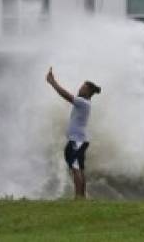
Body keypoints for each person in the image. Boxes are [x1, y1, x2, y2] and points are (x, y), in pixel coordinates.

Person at [46, 67, 101, 199]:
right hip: (80, 139)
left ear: (88, 91)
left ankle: (78, 197)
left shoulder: (83, 102)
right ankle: (81, 197)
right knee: (79, 168)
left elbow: (65, 95)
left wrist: (52, 82)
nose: (79, 89)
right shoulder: (85, 103)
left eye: (82, 87)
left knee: (76, 168)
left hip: (77, 140)